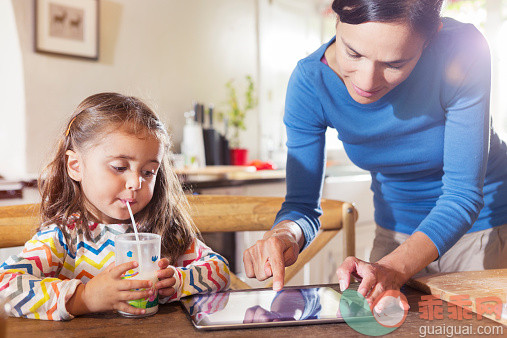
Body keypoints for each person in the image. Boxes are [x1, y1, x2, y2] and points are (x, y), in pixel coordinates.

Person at [243, 0, 507, 306]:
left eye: (395, 64)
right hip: (394, 233)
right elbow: (302, 205)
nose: (366, 82)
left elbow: (462, 197)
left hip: (484, 230)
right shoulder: (310, 82)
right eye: (353, 53)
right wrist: (285, 233)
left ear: (431, 36)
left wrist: (394, 267)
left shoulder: (462, 49)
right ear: (336, 19)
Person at [0, 92, 230, 320]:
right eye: (120, 167)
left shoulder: (161, 229)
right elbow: (6, 286)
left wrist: (179, 281)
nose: (135, 182)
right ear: (76, 166)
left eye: (148, 172)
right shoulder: (64, 236)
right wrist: (85, 298)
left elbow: (219, 270)